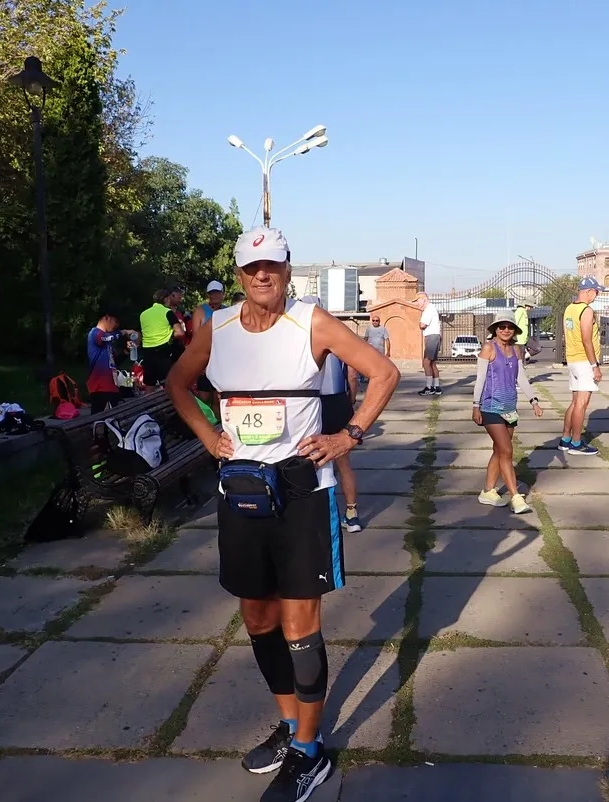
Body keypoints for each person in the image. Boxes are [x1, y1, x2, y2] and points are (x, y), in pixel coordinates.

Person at [165, 227, 399, 802]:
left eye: (273, 266)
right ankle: (292, 723)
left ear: (288, 270)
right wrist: (206, 433)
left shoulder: (312, 321)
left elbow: (383, 372)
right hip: (240, 494)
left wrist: (349, 435)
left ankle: (311, 752)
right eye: (252, 268)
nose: (262, 276)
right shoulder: (215, 328)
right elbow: (178, 383)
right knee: (257, 618)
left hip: (300, 493)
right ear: (240, 273)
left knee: (299, 624)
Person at [302, 296, 363, 534]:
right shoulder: (336, 333)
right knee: (343, 461)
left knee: (313, 461)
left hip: (312, 402)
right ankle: (352, 513)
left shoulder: (299, 336)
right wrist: (351, 399)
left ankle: (322, 516)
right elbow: (352, 373)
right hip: (337, 400)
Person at [473, 311, 542, 513]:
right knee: (507, 451)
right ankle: (515, 497)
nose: (505, 330)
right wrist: (476, 405)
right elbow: (480, 379)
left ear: (514, 330)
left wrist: (534, 401)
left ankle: (488, 491)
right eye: (501, 326)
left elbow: (521, 378)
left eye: (509, 327)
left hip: (510, 407)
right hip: (489, 406)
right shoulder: (488, 348)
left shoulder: (516, 350)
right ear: (495, 328)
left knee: (499, 450)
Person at [558, 277, 604, 456]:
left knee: (575, 401)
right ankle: (576, 442)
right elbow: (586, 339)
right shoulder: (586, 311)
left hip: (573, 359)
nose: (596, 295)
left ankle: (565, 438)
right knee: (582, 404)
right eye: (596, 292)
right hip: (585, 361)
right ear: (589, 291)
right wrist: (595, 365)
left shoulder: (570, 308)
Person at [86, 312, 138, 414]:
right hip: (99, 386)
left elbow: (115, 362)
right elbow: (106, 337)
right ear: (107, 318)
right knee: (98, 419)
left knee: (113, 420)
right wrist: (124, 332)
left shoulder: (108, 345)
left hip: (112, 386)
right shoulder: (94, 333)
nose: (116, 325)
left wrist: (127, 351)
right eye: (116, 321)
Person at [192, 280, 228, 409]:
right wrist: (199, 362)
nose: (214, 296)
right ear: (208, 295)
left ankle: (219, 426)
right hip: (206, 358)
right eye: (212, 293)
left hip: (222, 360)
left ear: (222, 294)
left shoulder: (227, 311)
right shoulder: (200, 311)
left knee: (219, 397)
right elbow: (196, 338)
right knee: (204, 396)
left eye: (217, 293)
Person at [139, 289, 186, 387]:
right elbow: (180, 333)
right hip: (163, 350)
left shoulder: (143, 314)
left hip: (147, 351)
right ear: (166, 299)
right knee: (168, 382)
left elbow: (141, 333)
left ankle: (148, 402)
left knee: (149, 383)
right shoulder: (167, 312)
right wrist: (171, 336)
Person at [416, 292, 442, 396]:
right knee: (432, 363)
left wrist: (419, 323)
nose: (417, 303)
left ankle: (429, 387)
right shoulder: (431, 308)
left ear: (423, 299)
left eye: (418, 300)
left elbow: (422, 325)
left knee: (426, 362)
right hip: (434, 336)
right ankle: (436, 387)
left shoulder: (428, 309)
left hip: (431, 337)